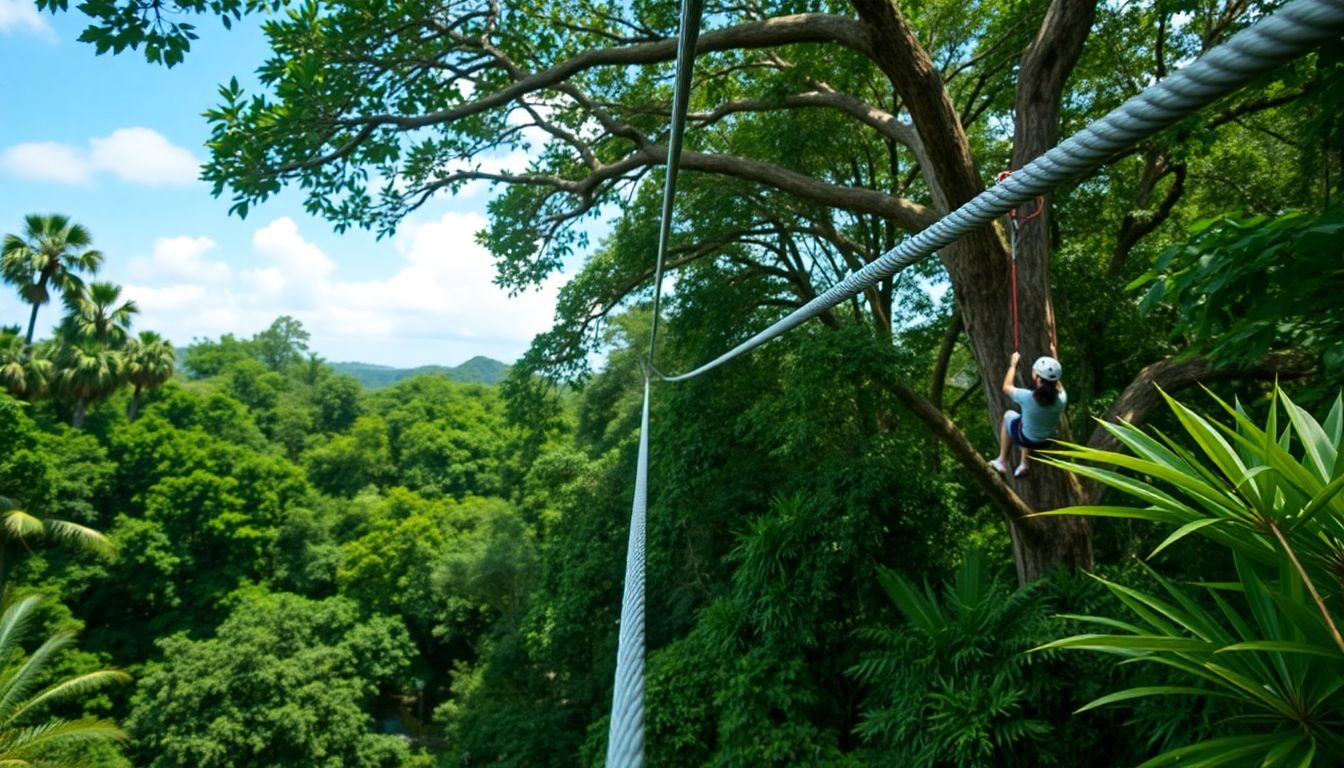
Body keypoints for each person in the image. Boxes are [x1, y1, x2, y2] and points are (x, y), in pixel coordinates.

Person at [988, 351, 1065, 478]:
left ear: (1038, 378)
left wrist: (1012, 365)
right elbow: (1057, 382)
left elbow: (1006, 387)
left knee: (1009, 415)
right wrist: (1054, 356)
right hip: (1048, 440)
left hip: (1027, 439)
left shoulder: (1027, 397)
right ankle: (1024, 463)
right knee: (1027, 422)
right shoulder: (1062, 398)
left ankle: (1002, 461)